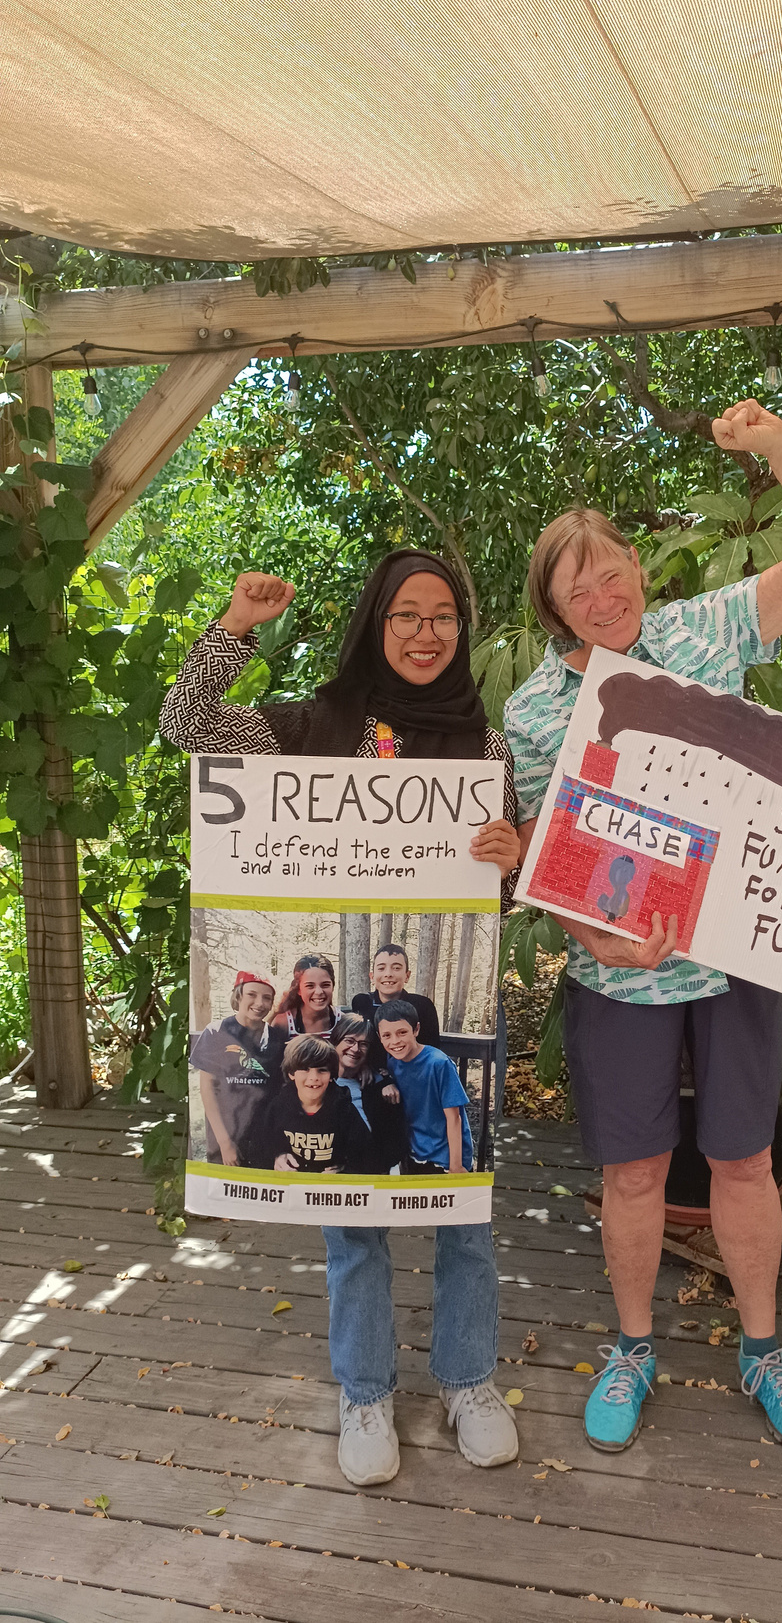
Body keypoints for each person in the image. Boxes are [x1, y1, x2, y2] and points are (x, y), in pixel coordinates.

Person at [505, 399, 782, 1458]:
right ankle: (631, 1348)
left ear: (638, 570)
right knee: (635, 1174)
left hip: (738, 954)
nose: (603, 596)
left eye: (613, 572)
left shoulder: (707, 629)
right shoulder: (531, 710)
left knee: (745, 1164)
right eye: (578, 589)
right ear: (554, 608)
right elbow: (547, 853)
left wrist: (777, 447)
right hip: (620, 978)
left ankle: (763, 1350)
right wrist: (596, 939)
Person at [160, 547, 520, 1485]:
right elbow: (185, 726)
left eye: (443, 616)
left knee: (463, 1216)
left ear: (462, 629)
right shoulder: (313, 727)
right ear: (375, 622)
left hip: (434, 1068)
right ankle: (366, 1391)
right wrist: (235, 627)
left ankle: (468, 1380)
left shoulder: (485, 750)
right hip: (365, 1075)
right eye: (406, 615)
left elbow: (498, 900)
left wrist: (509, 857)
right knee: (351, 1210)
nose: (426, 633)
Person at [190, 971, 285, 1166]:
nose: (259, 1003)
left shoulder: (277, 1038)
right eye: (252, 994)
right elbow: (207, 1090)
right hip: (225, 1134)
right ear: (238, 996)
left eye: (267, 998)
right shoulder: (216, 1032)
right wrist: (225, 1143)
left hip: (264, 1139)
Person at [375, 1001, 473, 1173]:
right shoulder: (392, 1062)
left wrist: (456, 1165)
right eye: (387, 1035)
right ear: (379, 1037)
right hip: (415, 1154)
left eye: (402, 1032)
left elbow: (454, 1118)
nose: (395, 1041)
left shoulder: (439, 1063)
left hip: (446, 1158)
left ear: (416, 1030)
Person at [255, 1034, 372, 1174]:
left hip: (330, 1185)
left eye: (322, 1070)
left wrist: (345, 1171)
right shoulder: (278, 1107)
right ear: (292, 1073)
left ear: (331, 1075)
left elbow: (366, 1155)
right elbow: (259, 1148)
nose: (314, 1077)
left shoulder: (344, 1109)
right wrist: (277, 1157)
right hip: (291, 1183)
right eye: (305, 1069)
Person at [331, 1013, 410, 1173]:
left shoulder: (379, 1088)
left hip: (367, 1173)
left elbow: (395, 1145)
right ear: (335, 1042)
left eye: (363, 1044)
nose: (355, 1049)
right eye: (349, 1041)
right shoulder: (317, 1082)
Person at [352, 943, 441, 1049]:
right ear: (372, 977)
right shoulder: (362, 1003)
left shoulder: (422, 1006)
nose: (388, 974)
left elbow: (431, 1049)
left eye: (396, 968)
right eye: (381, 968)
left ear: (407, 976)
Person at [271, 953, 344, 1039]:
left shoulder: (342, 1022)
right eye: (310, 986)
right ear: (299, 989)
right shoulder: (284, 1023)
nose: (319, 992)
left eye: (325, 985)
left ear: (333, 986)